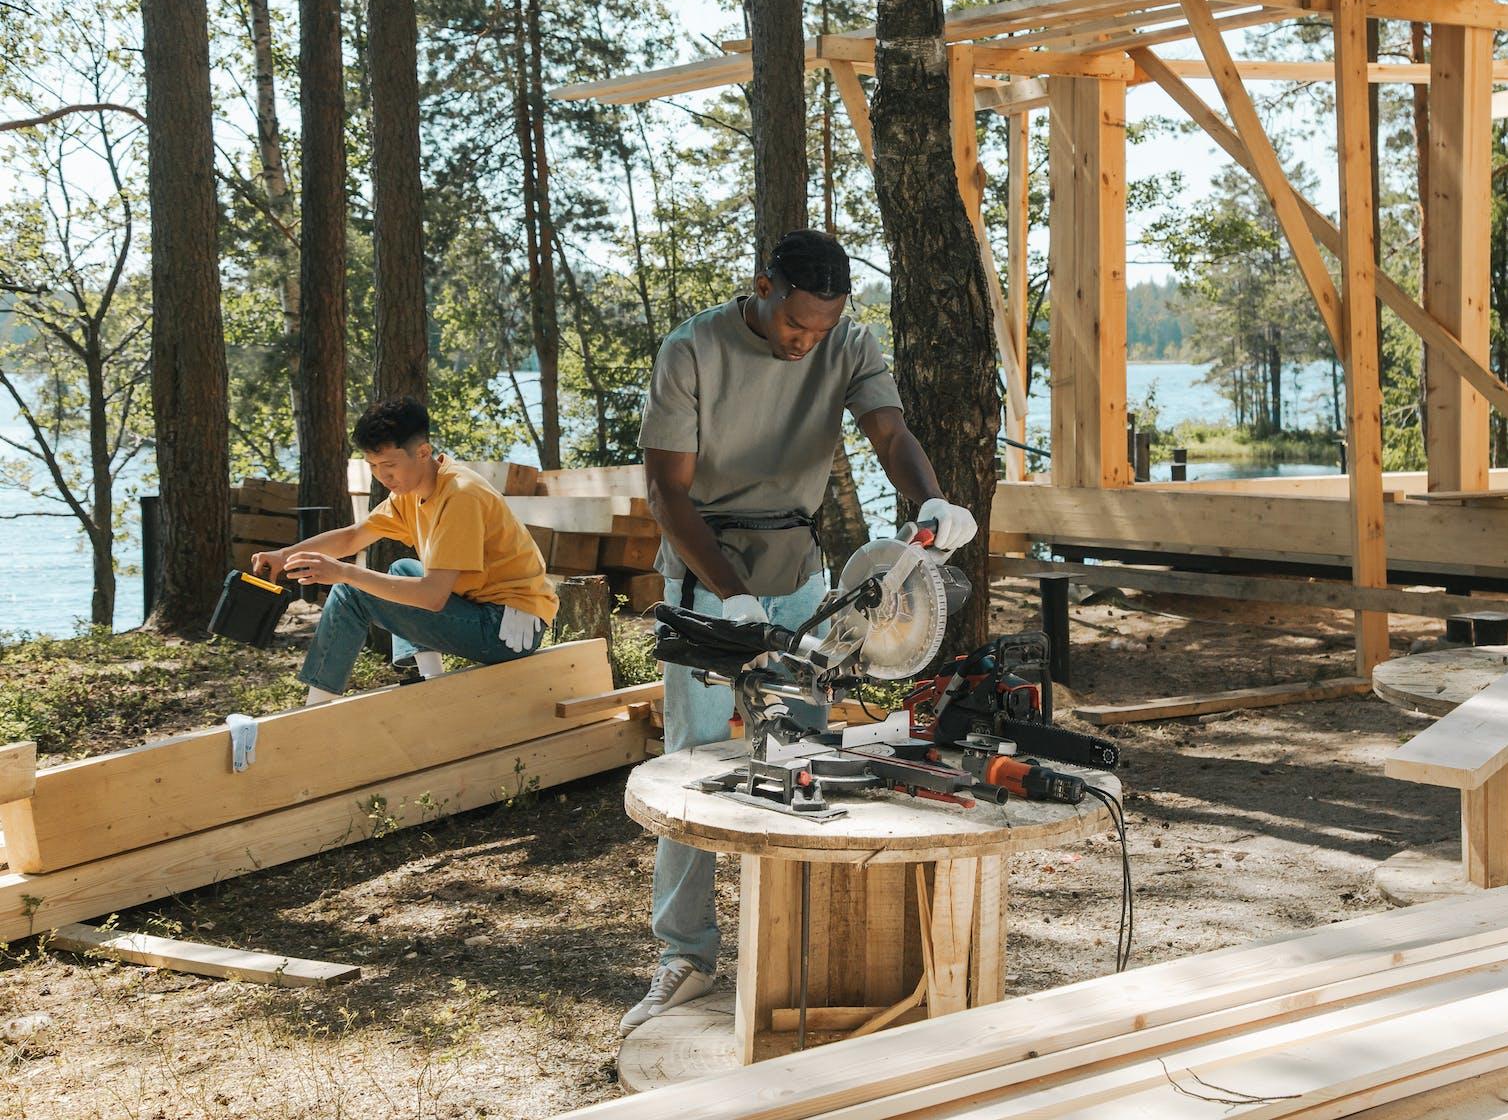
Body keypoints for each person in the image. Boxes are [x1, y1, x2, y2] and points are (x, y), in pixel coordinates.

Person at [620, 228, 977, 1035]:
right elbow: (667, 494)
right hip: (709, 574)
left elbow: (890, 433)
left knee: (804, 761)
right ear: (764, 287)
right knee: (692, 762)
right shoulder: (692, 350)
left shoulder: (848, 344)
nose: (805, 342)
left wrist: (928, 498)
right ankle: (685, 954)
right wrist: (732, 597)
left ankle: (799, 945)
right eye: (794, 325)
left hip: (801, 576)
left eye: (822, 328)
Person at [252, 396, 558, 705]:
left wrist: (344, 572)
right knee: (402, 569)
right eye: (372, 466)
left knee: (350, 591)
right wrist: (283, 556)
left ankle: (314, 710)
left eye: (389, 466)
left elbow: (433, 596)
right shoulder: (410, 493)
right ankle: (432, 682)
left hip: (507, 629)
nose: (382, 477)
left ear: (423, 452)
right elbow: (353, 537)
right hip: (486, 611)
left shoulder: (461, 497)